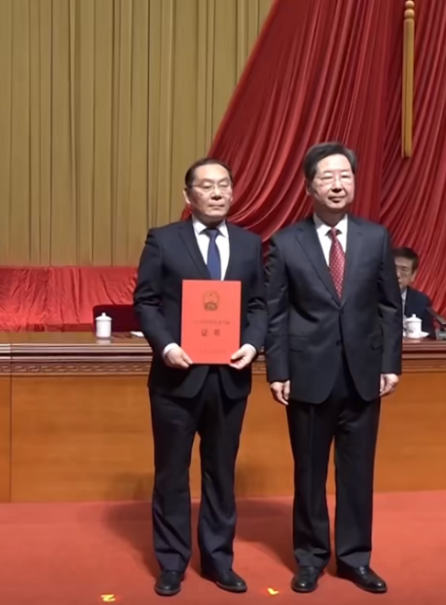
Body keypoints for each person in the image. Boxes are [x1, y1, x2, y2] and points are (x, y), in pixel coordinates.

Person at [264, 142, 402, 594]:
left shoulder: (375, 237)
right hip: (307, 374)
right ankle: (310, 558)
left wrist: (390, 363)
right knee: (309, 473)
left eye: (345, 175)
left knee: (358, 472)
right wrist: (277, 370)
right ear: (309, 187)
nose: (338, 184)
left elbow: (389, 305)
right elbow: (275, 312)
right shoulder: (286, 242)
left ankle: (355, 558)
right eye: (327, 177)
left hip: (363, 374)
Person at [133, 158, 267, 597]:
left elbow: (259, 305)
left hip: (230, 377)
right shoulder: (163, 240)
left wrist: (253, 343)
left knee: (221, 473)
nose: (216, 192)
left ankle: (218, 560)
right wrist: (166, 346)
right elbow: (146, 302)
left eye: (224, 185)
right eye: (206, 186)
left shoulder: (249, 244)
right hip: (176, 378)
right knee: (172, 474)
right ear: (187, 195)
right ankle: (172, 562)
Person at [393, 247, 437, 335]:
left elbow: (428, 334)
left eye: (404, 270)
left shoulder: (422, 302)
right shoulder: (370, 298)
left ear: (413, 275)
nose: (397, 275)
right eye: (393, 268)